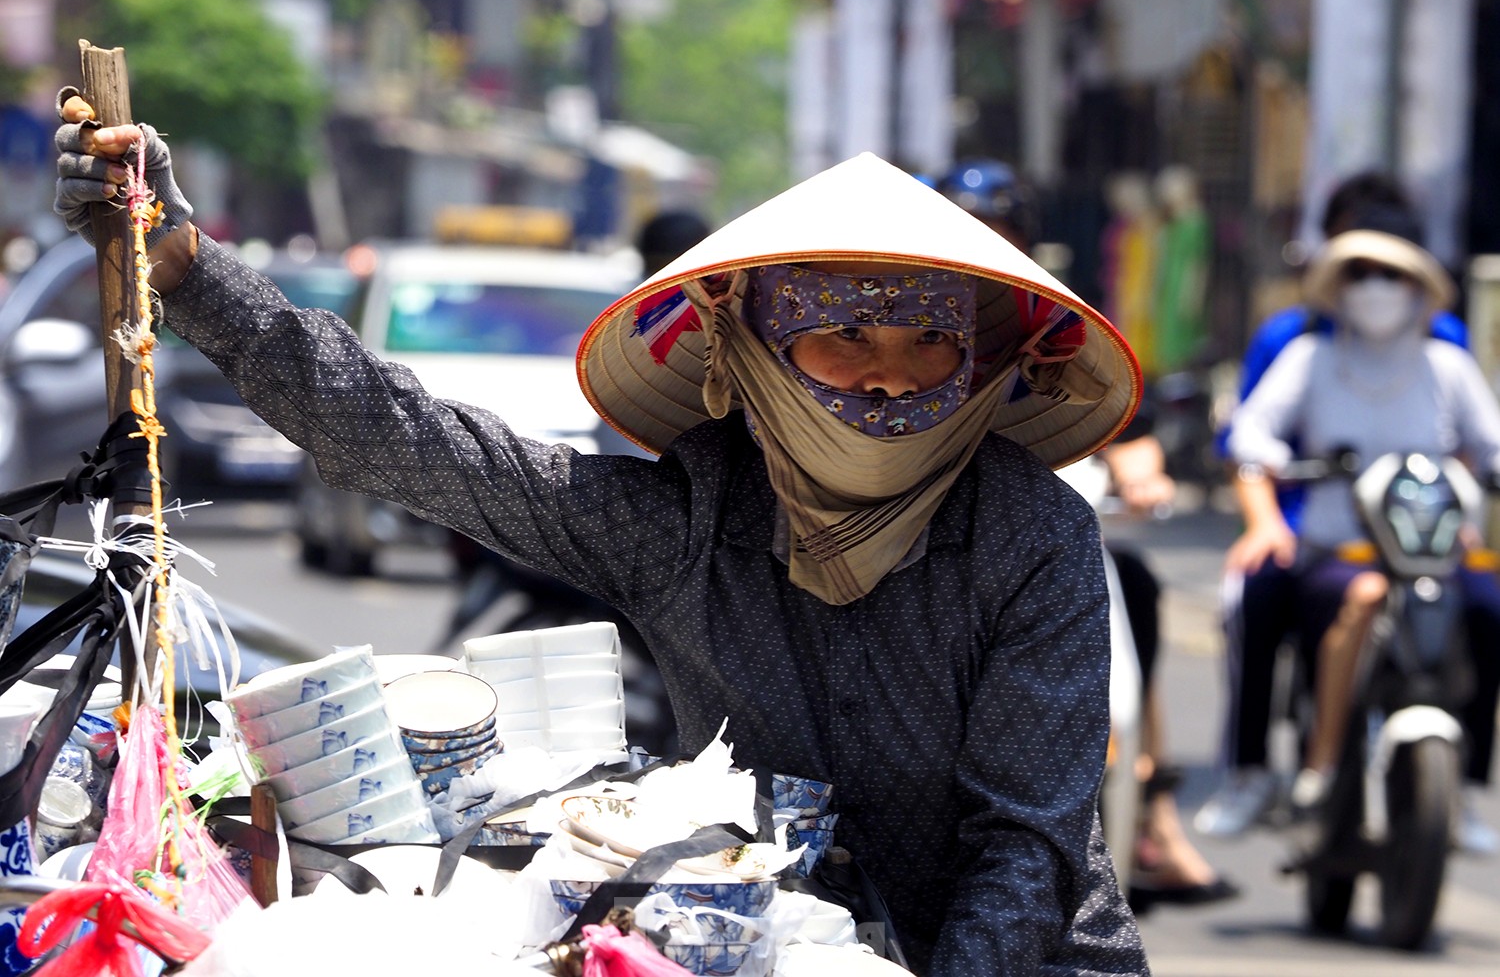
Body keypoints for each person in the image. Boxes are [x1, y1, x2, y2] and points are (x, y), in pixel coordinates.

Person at [56, 98, 1148, 975]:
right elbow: (414, 444)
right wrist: (191, 272)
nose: (886, 375)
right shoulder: (681, 520)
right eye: (843, 334)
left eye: (926, 344)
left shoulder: (1033, 535)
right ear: (754, 350)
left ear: (974, 364)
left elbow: (1025, 848)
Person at [939, 160, 1236, 910]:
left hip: (1040, 531)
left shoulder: (1058, 329)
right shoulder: (898, 313)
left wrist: (1143, 472)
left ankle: (1151, 809)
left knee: (1131, 583)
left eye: (999, 231)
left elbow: (1122, 423)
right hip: (923, 533)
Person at [1196, 176, 1498, 852]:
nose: (1376, 287)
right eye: (1361, 270)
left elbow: (1484, 444)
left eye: (1391, 271)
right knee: (1254, 595)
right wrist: (1266, 520)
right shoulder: (1304, 348)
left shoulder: (1445, 355)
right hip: (1330, 544)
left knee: (1488, 608)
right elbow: (1248, 439)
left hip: (1431, 547)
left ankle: (1470, 788)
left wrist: (1463, 504)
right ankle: (1274, 769)